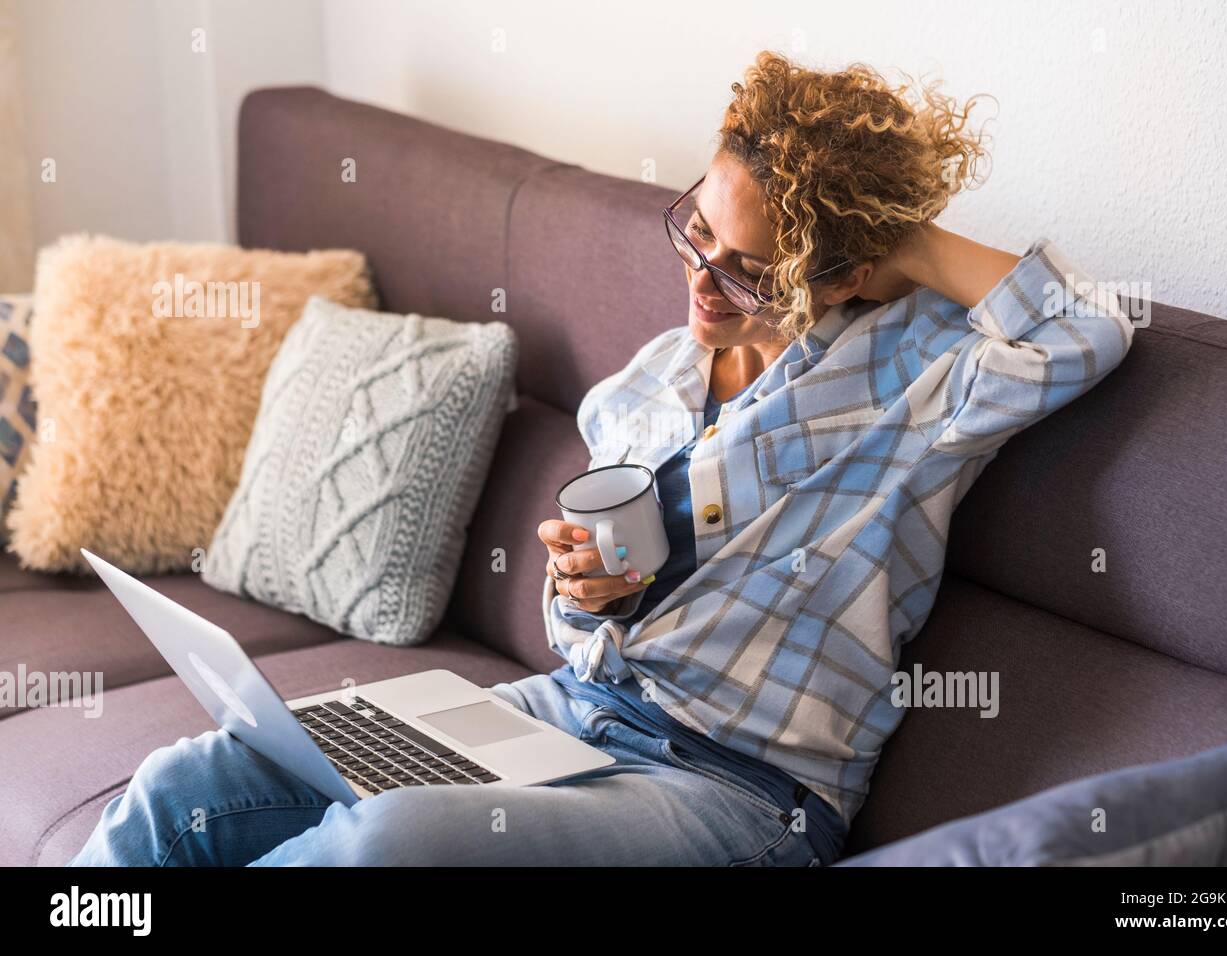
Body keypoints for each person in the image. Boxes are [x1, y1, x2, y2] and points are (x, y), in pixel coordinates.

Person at [70, 50, 1132, 867]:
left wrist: (895, 240)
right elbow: (574, 637)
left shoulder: (917, 382)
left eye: (753, 271)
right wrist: (586, 591)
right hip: (570, 716)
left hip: (739, 789)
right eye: (696, 236)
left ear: (842, 273)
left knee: (381, 846)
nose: (703, 283)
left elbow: (1089, 327)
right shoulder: (651, 382)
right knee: (198, 776)